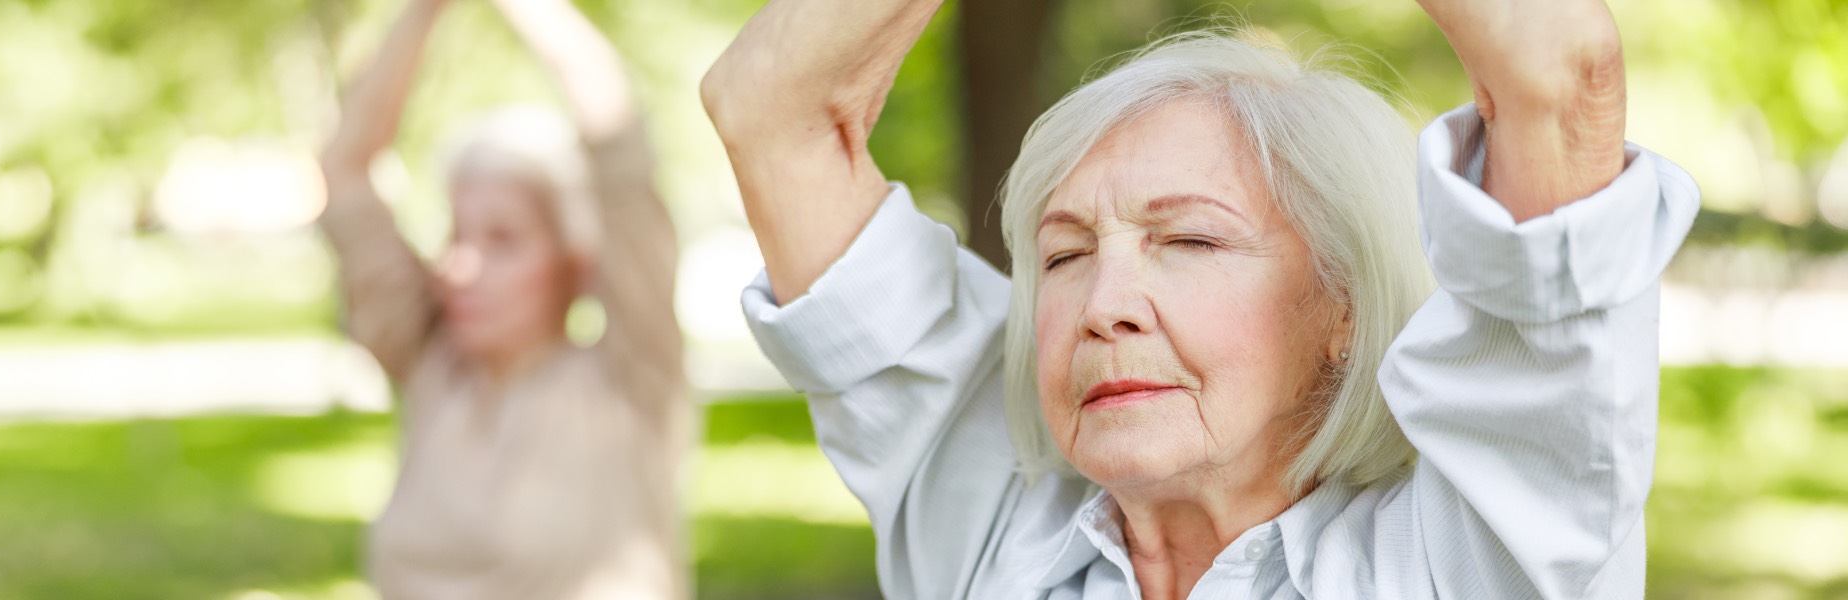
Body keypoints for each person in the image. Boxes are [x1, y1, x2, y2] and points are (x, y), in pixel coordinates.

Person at [702, 0, 1697, 598]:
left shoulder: (1470, 565)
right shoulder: (995, 529)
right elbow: (770, 110)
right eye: (1063, 253)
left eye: (1189, 239)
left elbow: (1561, 77)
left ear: (1340, 309)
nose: (1105, 304)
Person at [317, 0, 684, 597]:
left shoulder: (632, 377)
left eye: (503, 240)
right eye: (456, 235)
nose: (461, 266)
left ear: (576, 265)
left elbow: (617, 136)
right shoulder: (431, 366)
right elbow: (345, 171)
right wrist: (423, 11)